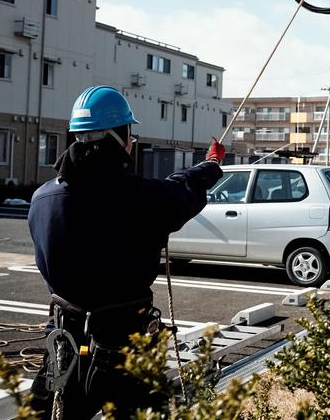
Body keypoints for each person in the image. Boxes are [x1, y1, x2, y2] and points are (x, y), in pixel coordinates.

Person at [27, 85, 224, 419]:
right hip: (124, 346)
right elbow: (182, 188)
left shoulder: (43, 198)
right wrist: (211, 163)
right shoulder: (140, 196)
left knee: (50, 412)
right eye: (130, 134)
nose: (132, 142)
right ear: (118, 138)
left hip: (64, 343)